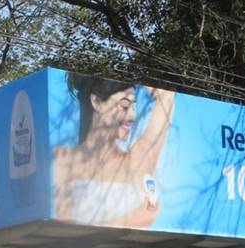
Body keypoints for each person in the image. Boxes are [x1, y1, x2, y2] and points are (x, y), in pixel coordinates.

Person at [54, 74, 175, 228]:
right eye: (124, 106)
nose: (132, 116)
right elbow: (64, 225)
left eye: (134, 107)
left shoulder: (138, 160)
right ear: (97, 101)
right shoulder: (62, 160)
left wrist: (134, 71)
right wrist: (134, 218)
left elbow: (167, 97)